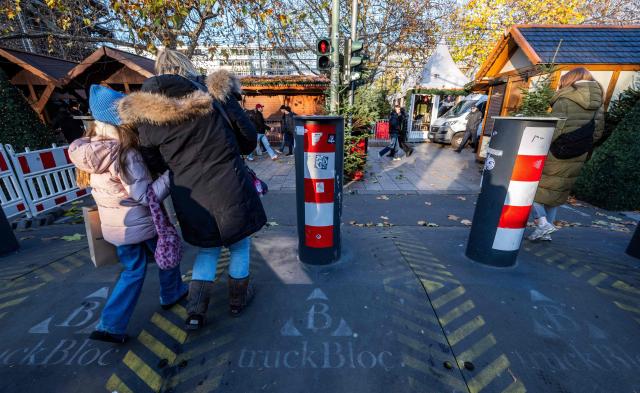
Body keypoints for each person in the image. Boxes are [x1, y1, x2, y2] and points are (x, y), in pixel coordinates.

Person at [118, 49, 267, 330]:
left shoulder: (146, 115)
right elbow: (248, 139)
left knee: (207, 250)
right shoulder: (213, 97)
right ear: (187, 67)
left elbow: (153, 162)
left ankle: (196, 311)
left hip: (189, 193)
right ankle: (237, 300)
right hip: (230, 183)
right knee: (239, 244)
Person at [69, 85, 188, 344]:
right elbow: (146, 196)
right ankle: (172, 294)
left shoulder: (88, 150)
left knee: (133, 270)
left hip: (117, 228)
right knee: (169, 254)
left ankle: (110, 324)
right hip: (142, 224)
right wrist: (171, 175)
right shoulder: (126, 153)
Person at [528, 67, 604, 241]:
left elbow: (554, 130)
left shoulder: (565, 99)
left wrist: (538, 144)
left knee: (532, 190)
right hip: (579, 153)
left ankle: (542, 224)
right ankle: (545, 233)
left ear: (569, 80)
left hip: (557, 152)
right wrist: (580, 144)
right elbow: (597, 132)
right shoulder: (598, 102)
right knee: (556, 193)